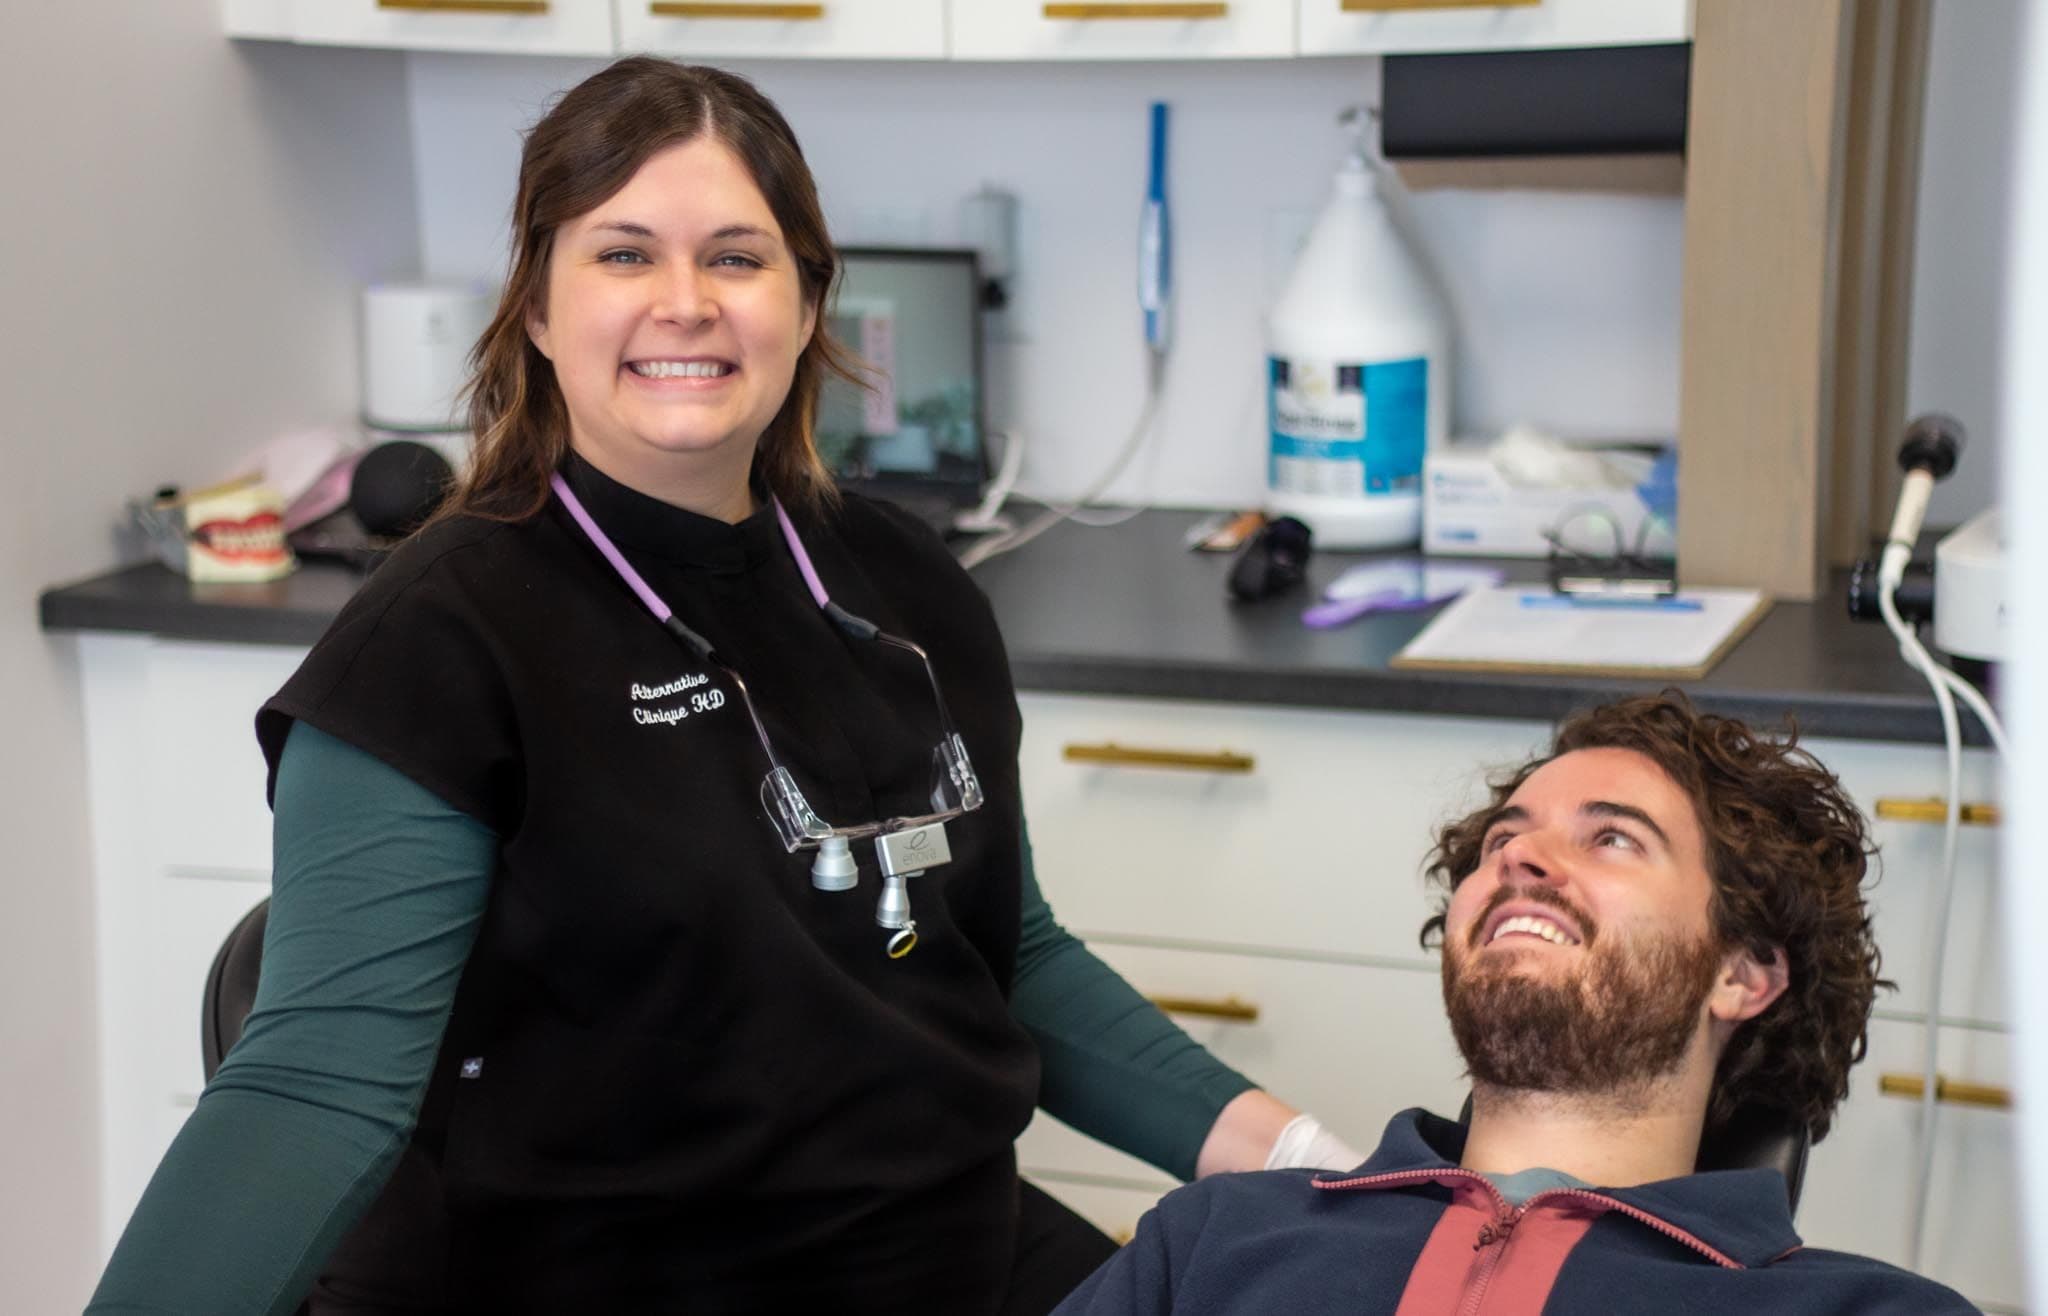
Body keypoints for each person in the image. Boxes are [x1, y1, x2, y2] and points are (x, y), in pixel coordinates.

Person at [86, 58, 1357, 1315]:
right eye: (623, 253)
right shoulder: (435, 641)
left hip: (954, 1244)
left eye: (736, 257)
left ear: (805, 304)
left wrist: (1316, 1164)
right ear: (538, 309)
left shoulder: (908, 586)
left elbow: (1005, 951)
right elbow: (312, 1089)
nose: (685, 302)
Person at [1055, 693, 1978, 1314]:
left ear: (1741, 974)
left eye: (1612, 838)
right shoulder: (1211, 1241)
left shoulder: (1862, 1309)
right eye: (1503, 839)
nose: (1519, 859)